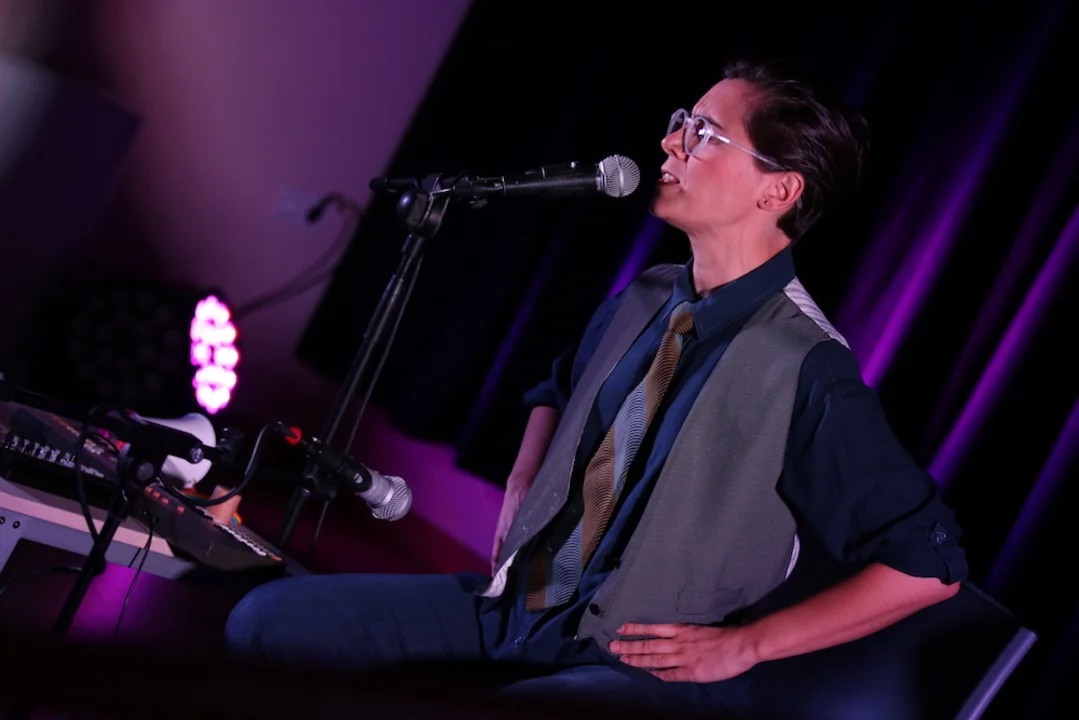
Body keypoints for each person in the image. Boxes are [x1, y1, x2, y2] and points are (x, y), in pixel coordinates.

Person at [224, 58, 967, 717]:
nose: (669, 144)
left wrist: (745, 646)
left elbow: (929, 565)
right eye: (681, 122)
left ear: (779, 188)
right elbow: (555, 386)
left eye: (704, 134)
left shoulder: (805, 363)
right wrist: (523, 481)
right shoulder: (647, 295)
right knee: (267, 622)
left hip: (639, 665)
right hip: (516, 610)